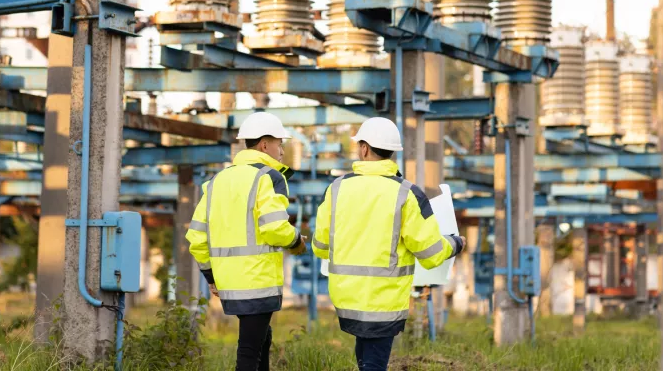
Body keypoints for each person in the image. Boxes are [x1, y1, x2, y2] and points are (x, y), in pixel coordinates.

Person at [312, 117, 465, 371]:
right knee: (373, 363)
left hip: (347, 299)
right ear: (393, 153)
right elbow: (430, 253)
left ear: (364, 148)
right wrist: (455, 244)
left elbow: (319, 245)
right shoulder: (407, 193)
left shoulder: (337, 188)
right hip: (384, 302)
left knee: (365, 358)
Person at [186, 111, 307, 371]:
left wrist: (211, 277)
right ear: (265, 145)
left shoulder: (216, 181)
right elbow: (275, 228)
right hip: (258, 281)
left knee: (261, 340)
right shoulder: (269, 177)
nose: (282, 151)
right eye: (279, 143)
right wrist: (296, 241)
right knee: (249, 351)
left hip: (229, 283)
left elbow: (197, 237)